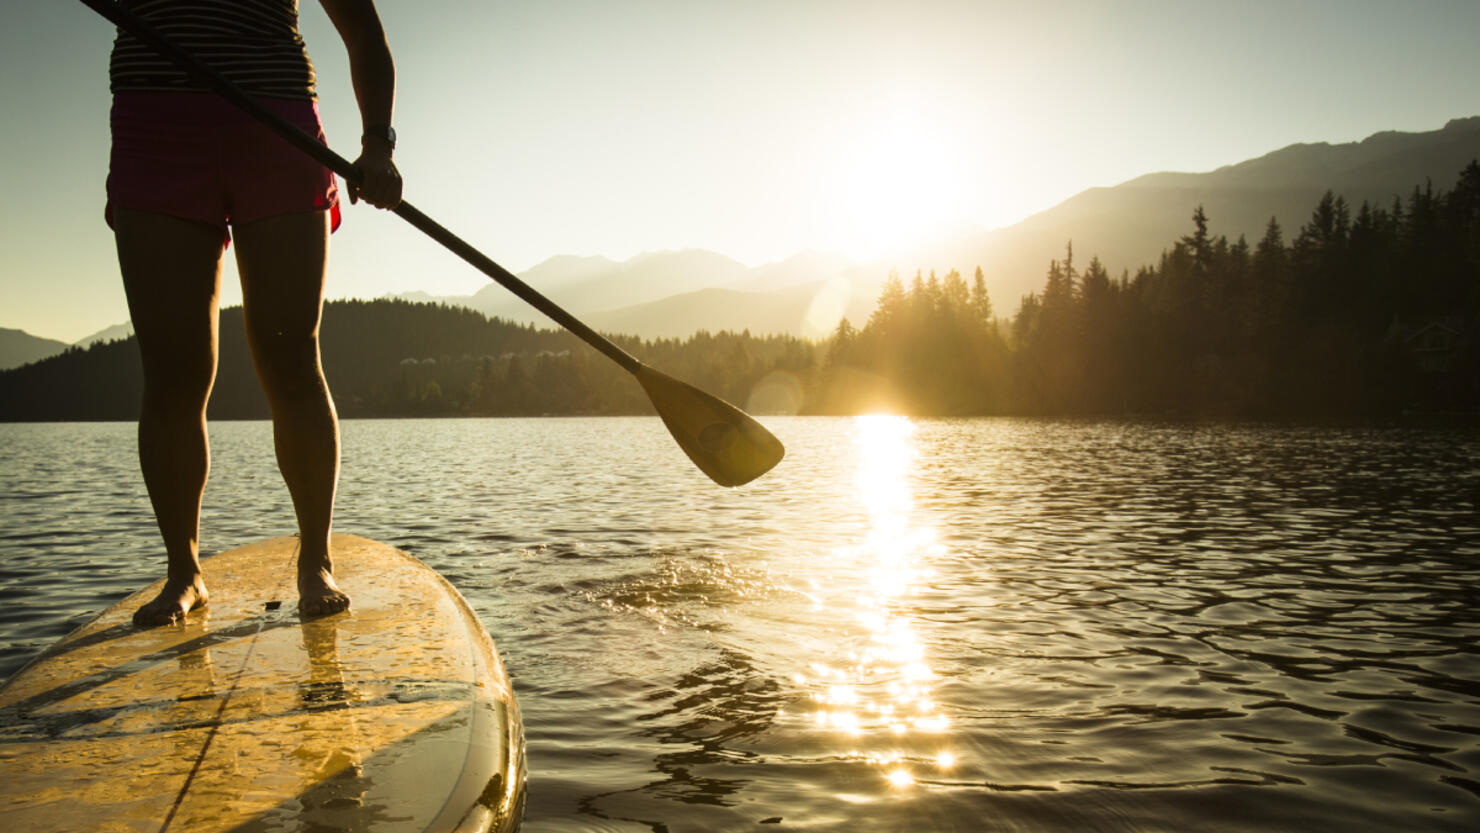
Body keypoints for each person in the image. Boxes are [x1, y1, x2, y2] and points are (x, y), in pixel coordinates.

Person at [107, 0, 403, 626]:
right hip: (154, 133)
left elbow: (363, 29)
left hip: (275, 122)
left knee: (290, 354)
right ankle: (184, 572)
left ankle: (315, 561)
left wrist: (377, 143)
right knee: (174, 370)